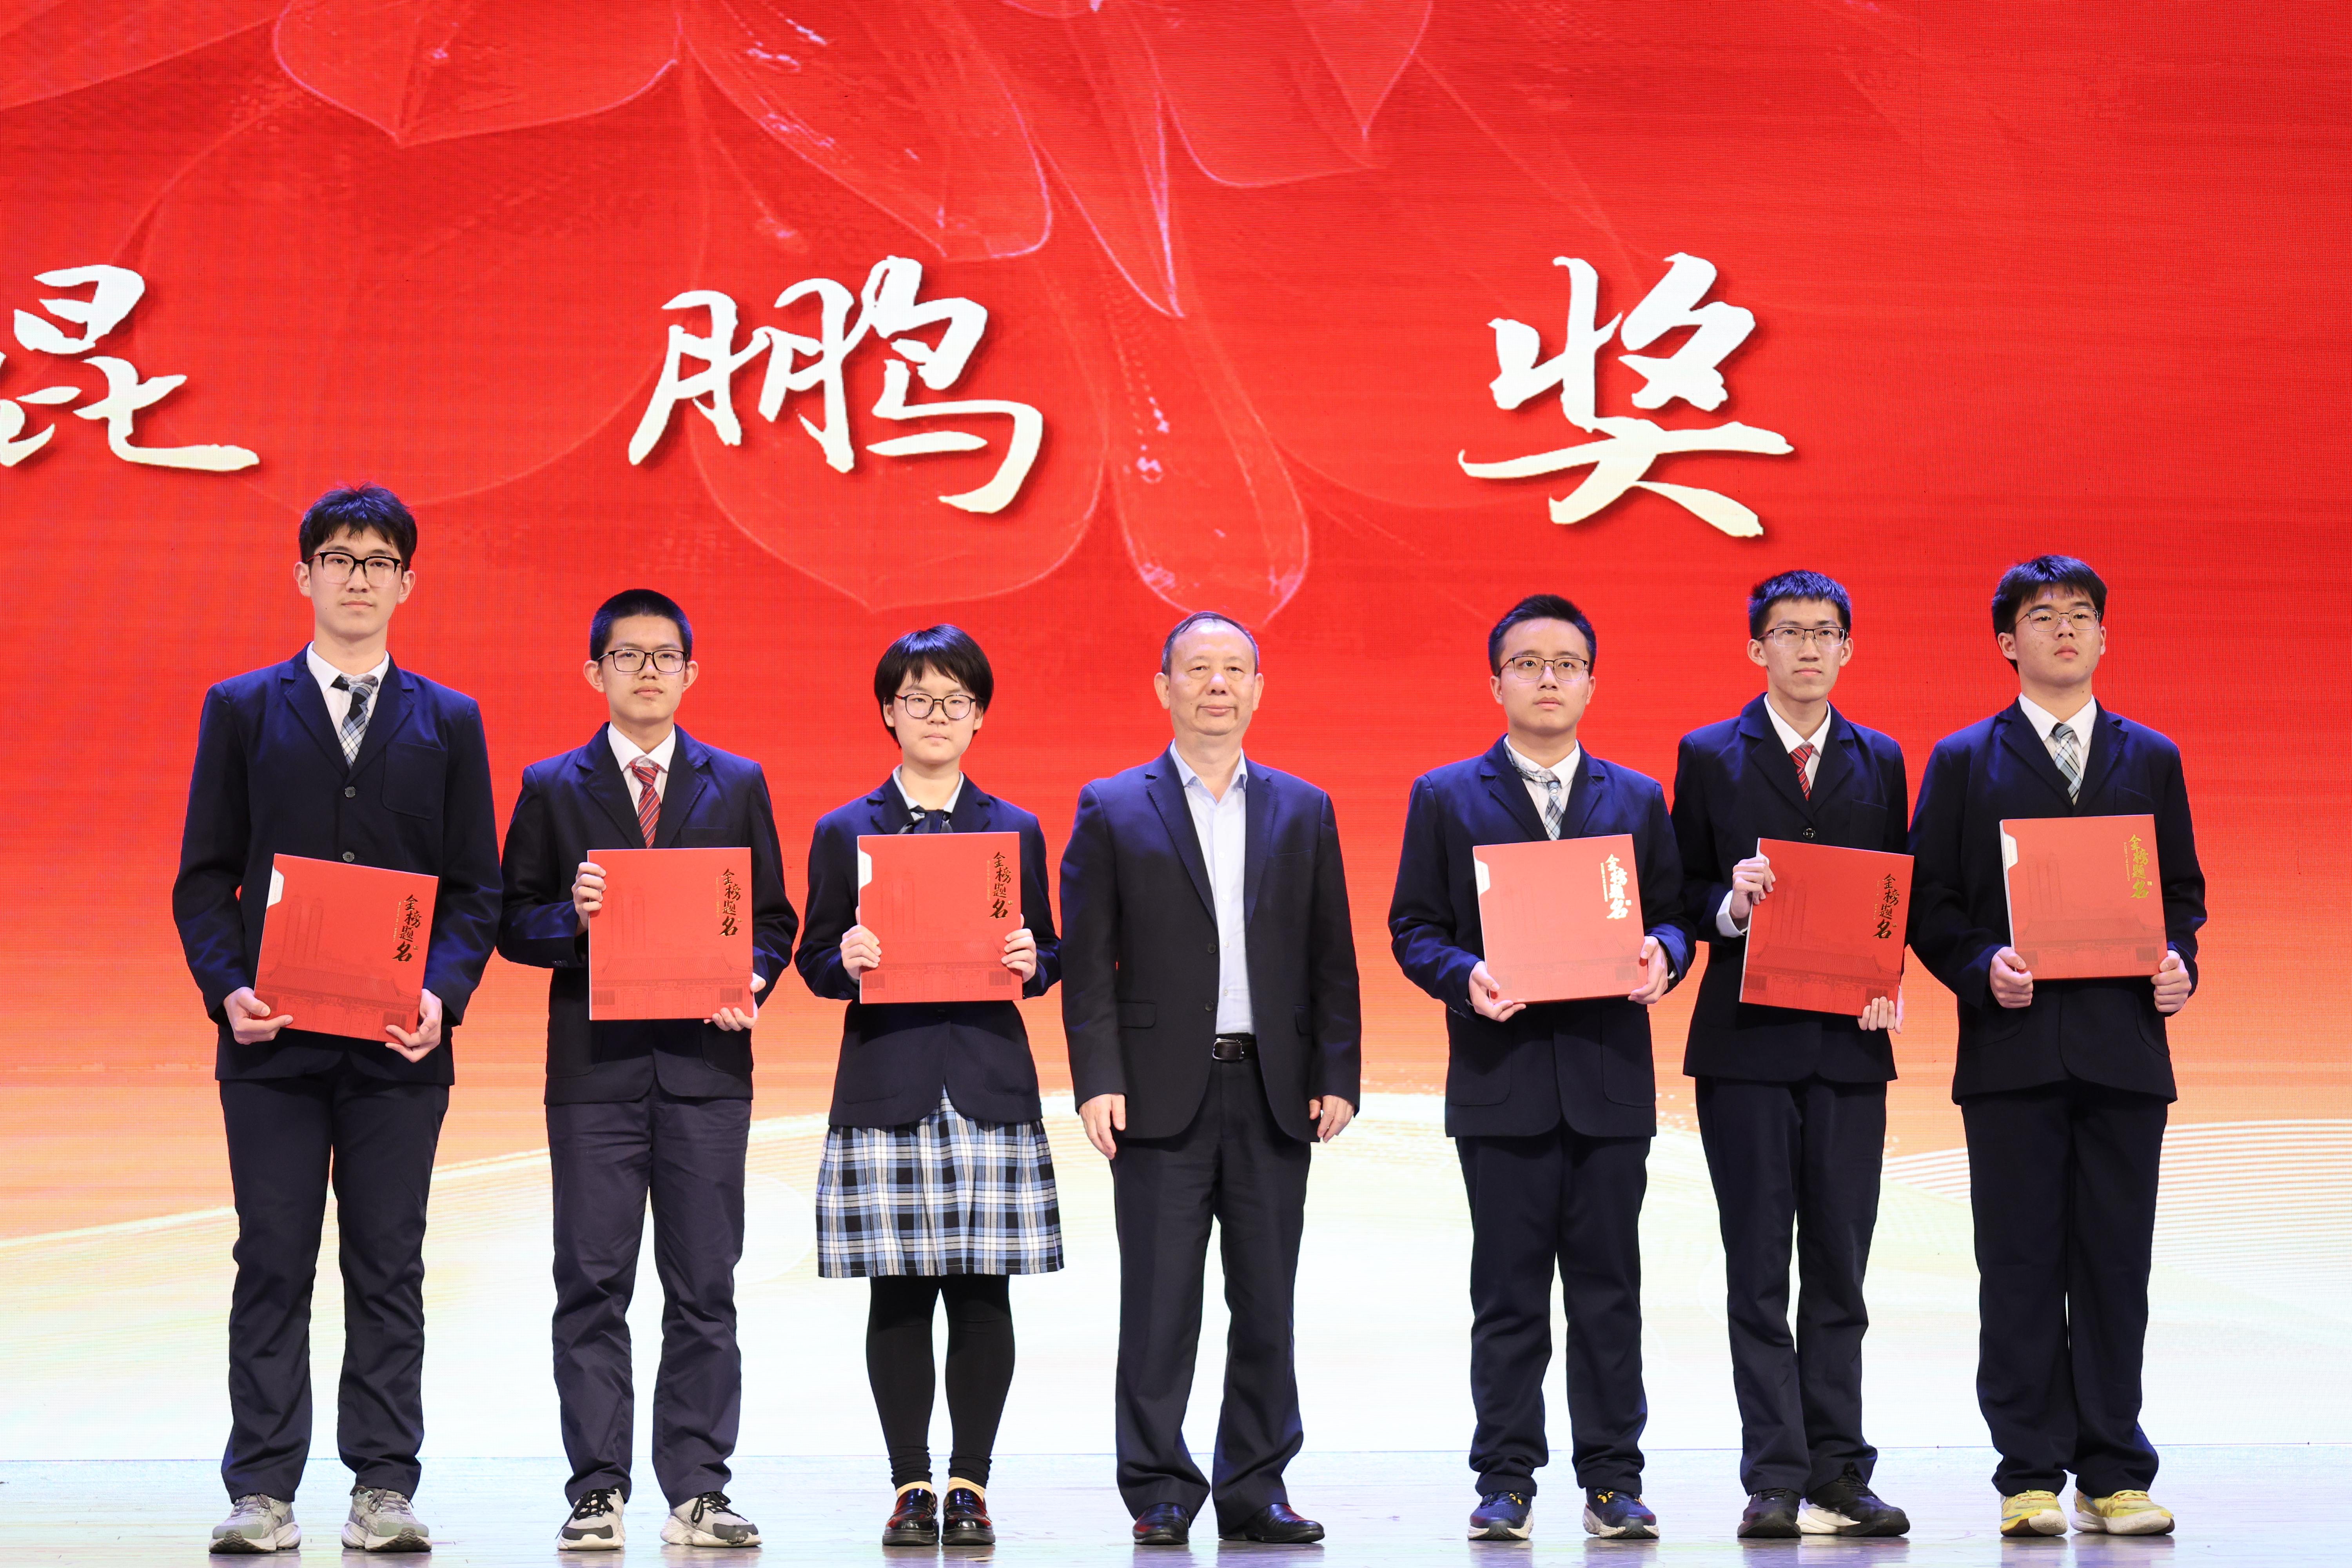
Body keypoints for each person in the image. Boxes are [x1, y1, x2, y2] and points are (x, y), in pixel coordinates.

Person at [174, 485, 501, 1555]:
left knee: (387, 1262)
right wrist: (227, 986)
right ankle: (262, 1491)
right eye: (340, 558)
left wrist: (443, 995)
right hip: (270, 1042)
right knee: (272, 1258)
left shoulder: (449, 720)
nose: (359, 578)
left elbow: (476, 889)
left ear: (407, 583)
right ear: (303, 574)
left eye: (378, 561)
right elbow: (205, 876)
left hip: (399, 1049)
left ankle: (383, 1487)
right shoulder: (242, 708)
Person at [1907, 555, 2202, 1540]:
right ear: (2008, 641)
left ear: (2105, 635)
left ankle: (2114, 1471)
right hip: (2014, 1051)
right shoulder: (1964, 759)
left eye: (2081, 614)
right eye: (2043, 616)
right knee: (2021, 1265)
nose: (2065, 629)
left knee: (2116, 1266)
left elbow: (2182, 894)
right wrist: (1980, 963)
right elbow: (1930, 903)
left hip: (2124, 1051)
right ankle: (2028, 1471)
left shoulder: (2150, 755)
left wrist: (2181, 963)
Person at [496, 589, 796, 1551]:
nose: (649, 671)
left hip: (707, 1069)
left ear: (691, 672)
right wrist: (572, 916)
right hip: (597, 1074)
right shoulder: (553, 785)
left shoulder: (736, 781)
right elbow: (511, 922)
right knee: (591, 1283)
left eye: (666, 655)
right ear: (596, 672)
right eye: (628, 655)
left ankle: (699, 1488)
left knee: (705, 1285)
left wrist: (752, 976)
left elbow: (774, 920)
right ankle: (597, 1488)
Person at [1388, 593, 1688, 1544]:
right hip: (1502, 1079)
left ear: (1592, 682)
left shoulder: (1636, 797)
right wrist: (1463, 976)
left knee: (1609, 1292)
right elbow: (1414, 928)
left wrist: (1667, 954)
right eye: (1528, 663)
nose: (1548, 678)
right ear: (1496, 683)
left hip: (1608, 1081)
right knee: (1509, 1295)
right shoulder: (1447, 794)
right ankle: (1506, 1480)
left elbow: (1675, 913)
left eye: (1566, 663)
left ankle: (1613, 1481)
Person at [1059, 611, 1361, 1547]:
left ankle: (1256, 1486)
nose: (1217, 684)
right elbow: (1088, 960)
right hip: (1157, 1093)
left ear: (1259, 689)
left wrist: (1338, 1070)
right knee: (1160, 1303)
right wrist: (1096, 1076)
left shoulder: (1304, 807)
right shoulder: (1113, 805)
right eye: (1198, 669)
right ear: (1165, 686)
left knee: (1267, 1300)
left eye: (1235, 669)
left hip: (1274, 1087)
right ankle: (1159, 1487)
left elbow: (1331, 954)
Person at [794, 626, 1063, 1549]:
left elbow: (1052, 950)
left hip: (987, 1079)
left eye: (955, 700)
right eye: (918, 698)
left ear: (979, 715)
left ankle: (970, 1484)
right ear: (889, 711)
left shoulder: (1014, 828)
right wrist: (844, 956)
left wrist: (1034, 956)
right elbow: (811, 960)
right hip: (888, 1081)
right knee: (899, 1295)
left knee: (984, 1295)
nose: (937, 715)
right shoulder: (847, 828)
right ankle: (911, 1482)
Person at [1668, 570, 1911, 1539]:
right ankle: (1773, 1473)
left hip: (1850, 1044)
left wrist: (1888, 970)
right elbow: (1682, 892)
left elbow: (1894, 890)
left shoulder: (1881, 757)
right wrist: (1731, 903)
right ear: (1756, 648)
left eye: (1824, 632)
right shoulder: (1709, 754)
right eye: (1788, 632)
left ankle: (1840, 1470)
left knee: (1841, 1270)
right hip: (1746, 1046)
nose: (1808, 648)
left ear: (1847, 648)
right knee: (1759, 1268)